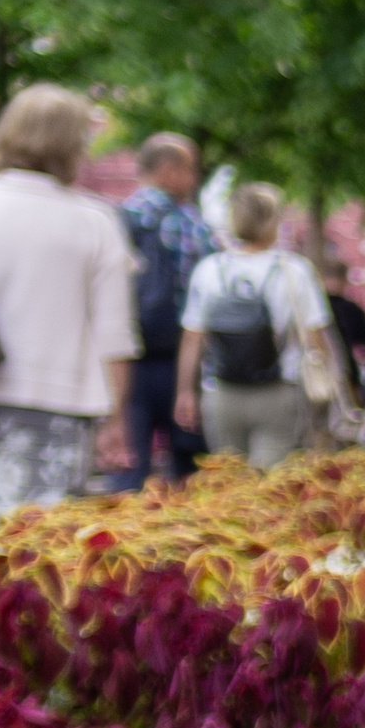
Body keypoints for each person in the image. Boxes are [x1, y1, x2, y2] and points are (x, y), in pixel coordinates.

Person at [0, 83, 137, 519]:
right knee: (46, 537)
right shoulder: (95, 221)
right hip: (66, 403)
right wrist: (116, 419)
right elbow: (115, 336)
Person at [173, 182, 342, 470]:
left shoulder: (210, 269)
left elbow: (193, 339)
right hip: (278, 394)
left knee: (229, 481)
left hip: (222, 393)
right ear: (273, 221)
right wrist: (335, 386)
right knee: (269, 483)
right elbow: (317, 338)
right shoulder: (294, 269)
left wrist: (184, 392)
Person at [115, 134, 214, 489]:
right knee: (188, 471)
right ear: (170, 170)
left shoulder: (117, 219)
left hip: (126, 358)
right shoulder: (193, 225)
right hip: (181, 360)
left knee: (127, 465)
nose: (195, 179)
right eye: (192, 170)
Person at [321, 257, 365, 405]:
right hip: (346, 374)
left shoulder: (315, 309)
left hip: (317, 375)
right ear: (345, 279)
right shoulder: (353, 310)